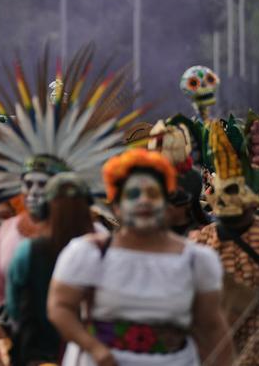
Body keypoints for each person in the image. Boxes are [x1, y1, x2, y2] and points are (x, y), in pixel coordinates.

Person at [48, 149, 232, 366]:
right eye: (133, 194)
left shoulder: (197, 260)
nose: (144, 201)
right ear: (116, 206)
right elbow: (59, 307)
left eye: (153, 194)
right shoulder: (88, 253)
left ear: (166, 203)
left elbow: (212, 327)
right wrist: (94, 348)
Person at [189, 121, 259, 366]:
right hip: (214, 352)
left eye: (236, 192)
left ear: (252, 199)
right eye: (224, 193)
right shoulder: (199, 242)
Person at [7, 173, 95, 365]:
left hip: (38, 354)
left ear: (45, 208)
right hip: (91, 352)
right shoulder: (102, 248)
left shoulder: (28, 250)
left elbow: (13, 307)